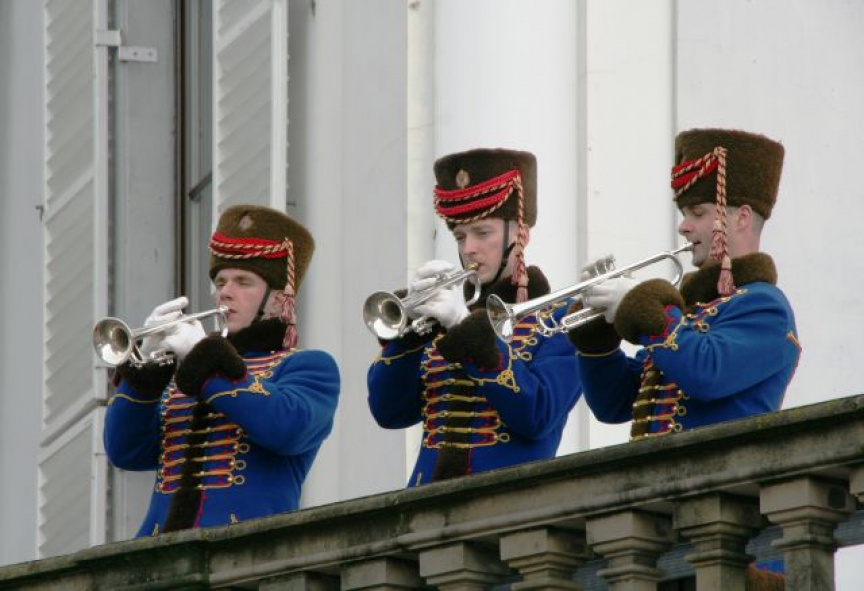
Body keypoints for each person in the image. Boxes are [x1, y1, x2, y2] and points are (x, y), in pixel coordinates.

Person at [104, 205, 340, 536]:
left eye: (244, 282)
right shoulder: (182, 372)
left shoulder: (309, 366)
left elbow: (288, 429)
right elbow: (125, 451)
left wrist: (205, 360)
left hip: (250, 548)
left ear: (277, 299)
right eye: (220, 281)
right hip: (158, 549)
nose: (225, 292)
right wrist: (144, 376)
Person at [367, 148, 582, 487]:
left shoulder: (560, 319)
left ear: (521, 235)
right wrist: (408, 335)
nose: (468, 248)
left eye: (483, 233)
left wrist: (464, 326)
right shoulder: (438, 321)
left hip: (511, 502)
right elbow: (389, 412)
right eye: (460, 236)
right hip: (425, 501)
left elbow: (538, 416)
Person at [568, 128, 801, 439]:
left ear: (741, 218)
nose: (683, 226)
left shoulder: (767, 308)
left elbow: (707, 374)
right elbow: (614, 404)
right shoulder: (690, 310)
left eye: (697, 213)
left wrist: (641, 305)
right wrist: (598, 341)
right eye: (684, 213)